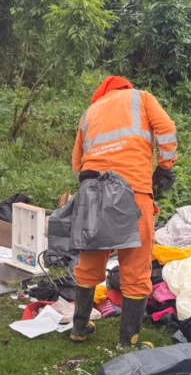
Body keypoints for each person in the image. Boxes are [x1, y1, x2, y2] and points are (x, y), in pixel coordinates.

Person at [69, 76, 177, 348]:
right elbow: (166, 128)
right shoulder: (141, 98)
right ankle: (128, 342)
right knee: (136, 266)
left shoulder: (89, 112)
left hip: (92, 194)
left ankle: (79, 328)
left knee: (90, 262)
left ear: (101, 93)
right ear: (125, 88)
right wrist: (165, 166)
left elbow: (76, 164)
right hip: (132, 193)